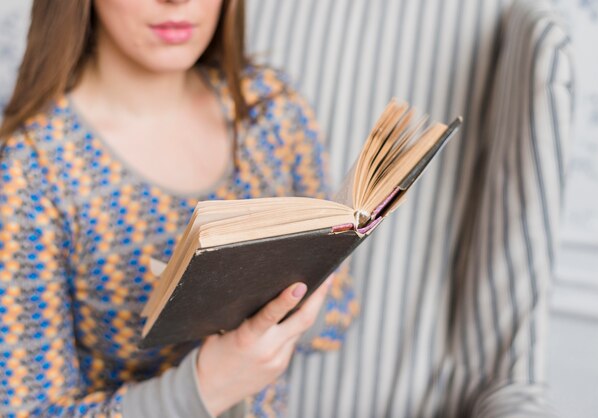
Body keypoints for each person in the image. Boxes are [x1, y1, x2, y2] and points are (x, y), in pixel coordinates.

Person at [0, 0, 357, 417]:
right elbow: (26, 410)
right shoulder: (33, 168)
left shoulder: (272, 109)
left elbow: (337, 317)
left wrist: (277, 307)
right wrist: (203, 387)